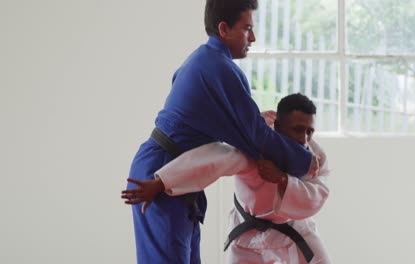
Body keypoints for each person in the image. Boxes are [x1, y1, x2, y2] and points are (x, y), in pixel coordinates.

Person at [125, 0, 315, 263]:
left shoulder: (202, 59)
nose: (254, 37)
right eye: (247, 28)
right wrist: (305, 161)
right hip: (161, 172)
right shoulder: (220, 69)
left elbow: (225, 125)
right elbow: (256, 138)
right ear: (224, 29)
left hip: (170, 170)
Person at [123, 94, 332, 264]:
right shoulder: (253, 148)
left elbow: (319, 194)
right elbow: (211, 160)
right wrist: (161, 182)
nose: (304, 139)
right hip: (247, 237)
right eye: (297, 130)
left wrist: (283, 179)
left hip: (294, 232)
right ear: (277, 125)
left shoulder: (314, 158)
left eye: (310, 132)